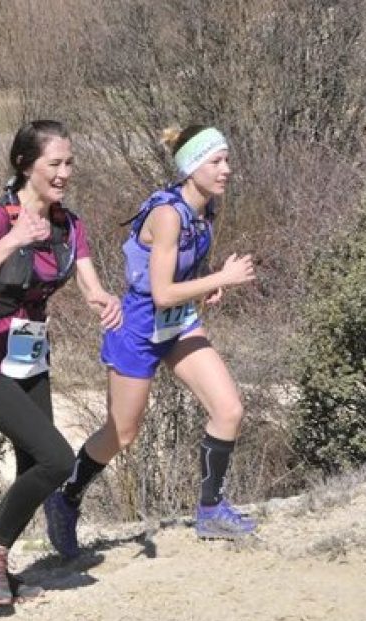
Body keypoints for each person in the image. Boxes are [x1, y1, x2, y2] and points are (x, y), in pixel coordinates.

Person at [42, 124, 258, 559]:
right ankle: (65, 498)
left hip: (178, 324)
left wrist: (203, 284)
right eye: (216, 162)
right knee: (122, 433)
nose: (226, 170)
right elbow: (159, 293)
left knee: (229, 409)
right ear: (191, 167)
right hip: (139, 328)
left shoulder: (206, 209)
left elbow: (180, 276)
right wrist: (222, 279)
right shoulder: (168, 214)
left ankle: (211, 509)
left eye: (227, 160)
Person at [0, 119, 122, 605]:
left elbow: (89, 283)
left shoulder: (70, 224)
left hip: (31, 360)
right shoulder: (0, 218)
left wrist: (105, 301)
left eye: (70, 163)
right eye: (54, 163)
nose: (65, 172)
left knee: (32, 467)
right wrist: (15, 238)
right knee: (58, 460)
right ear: (25, 165)